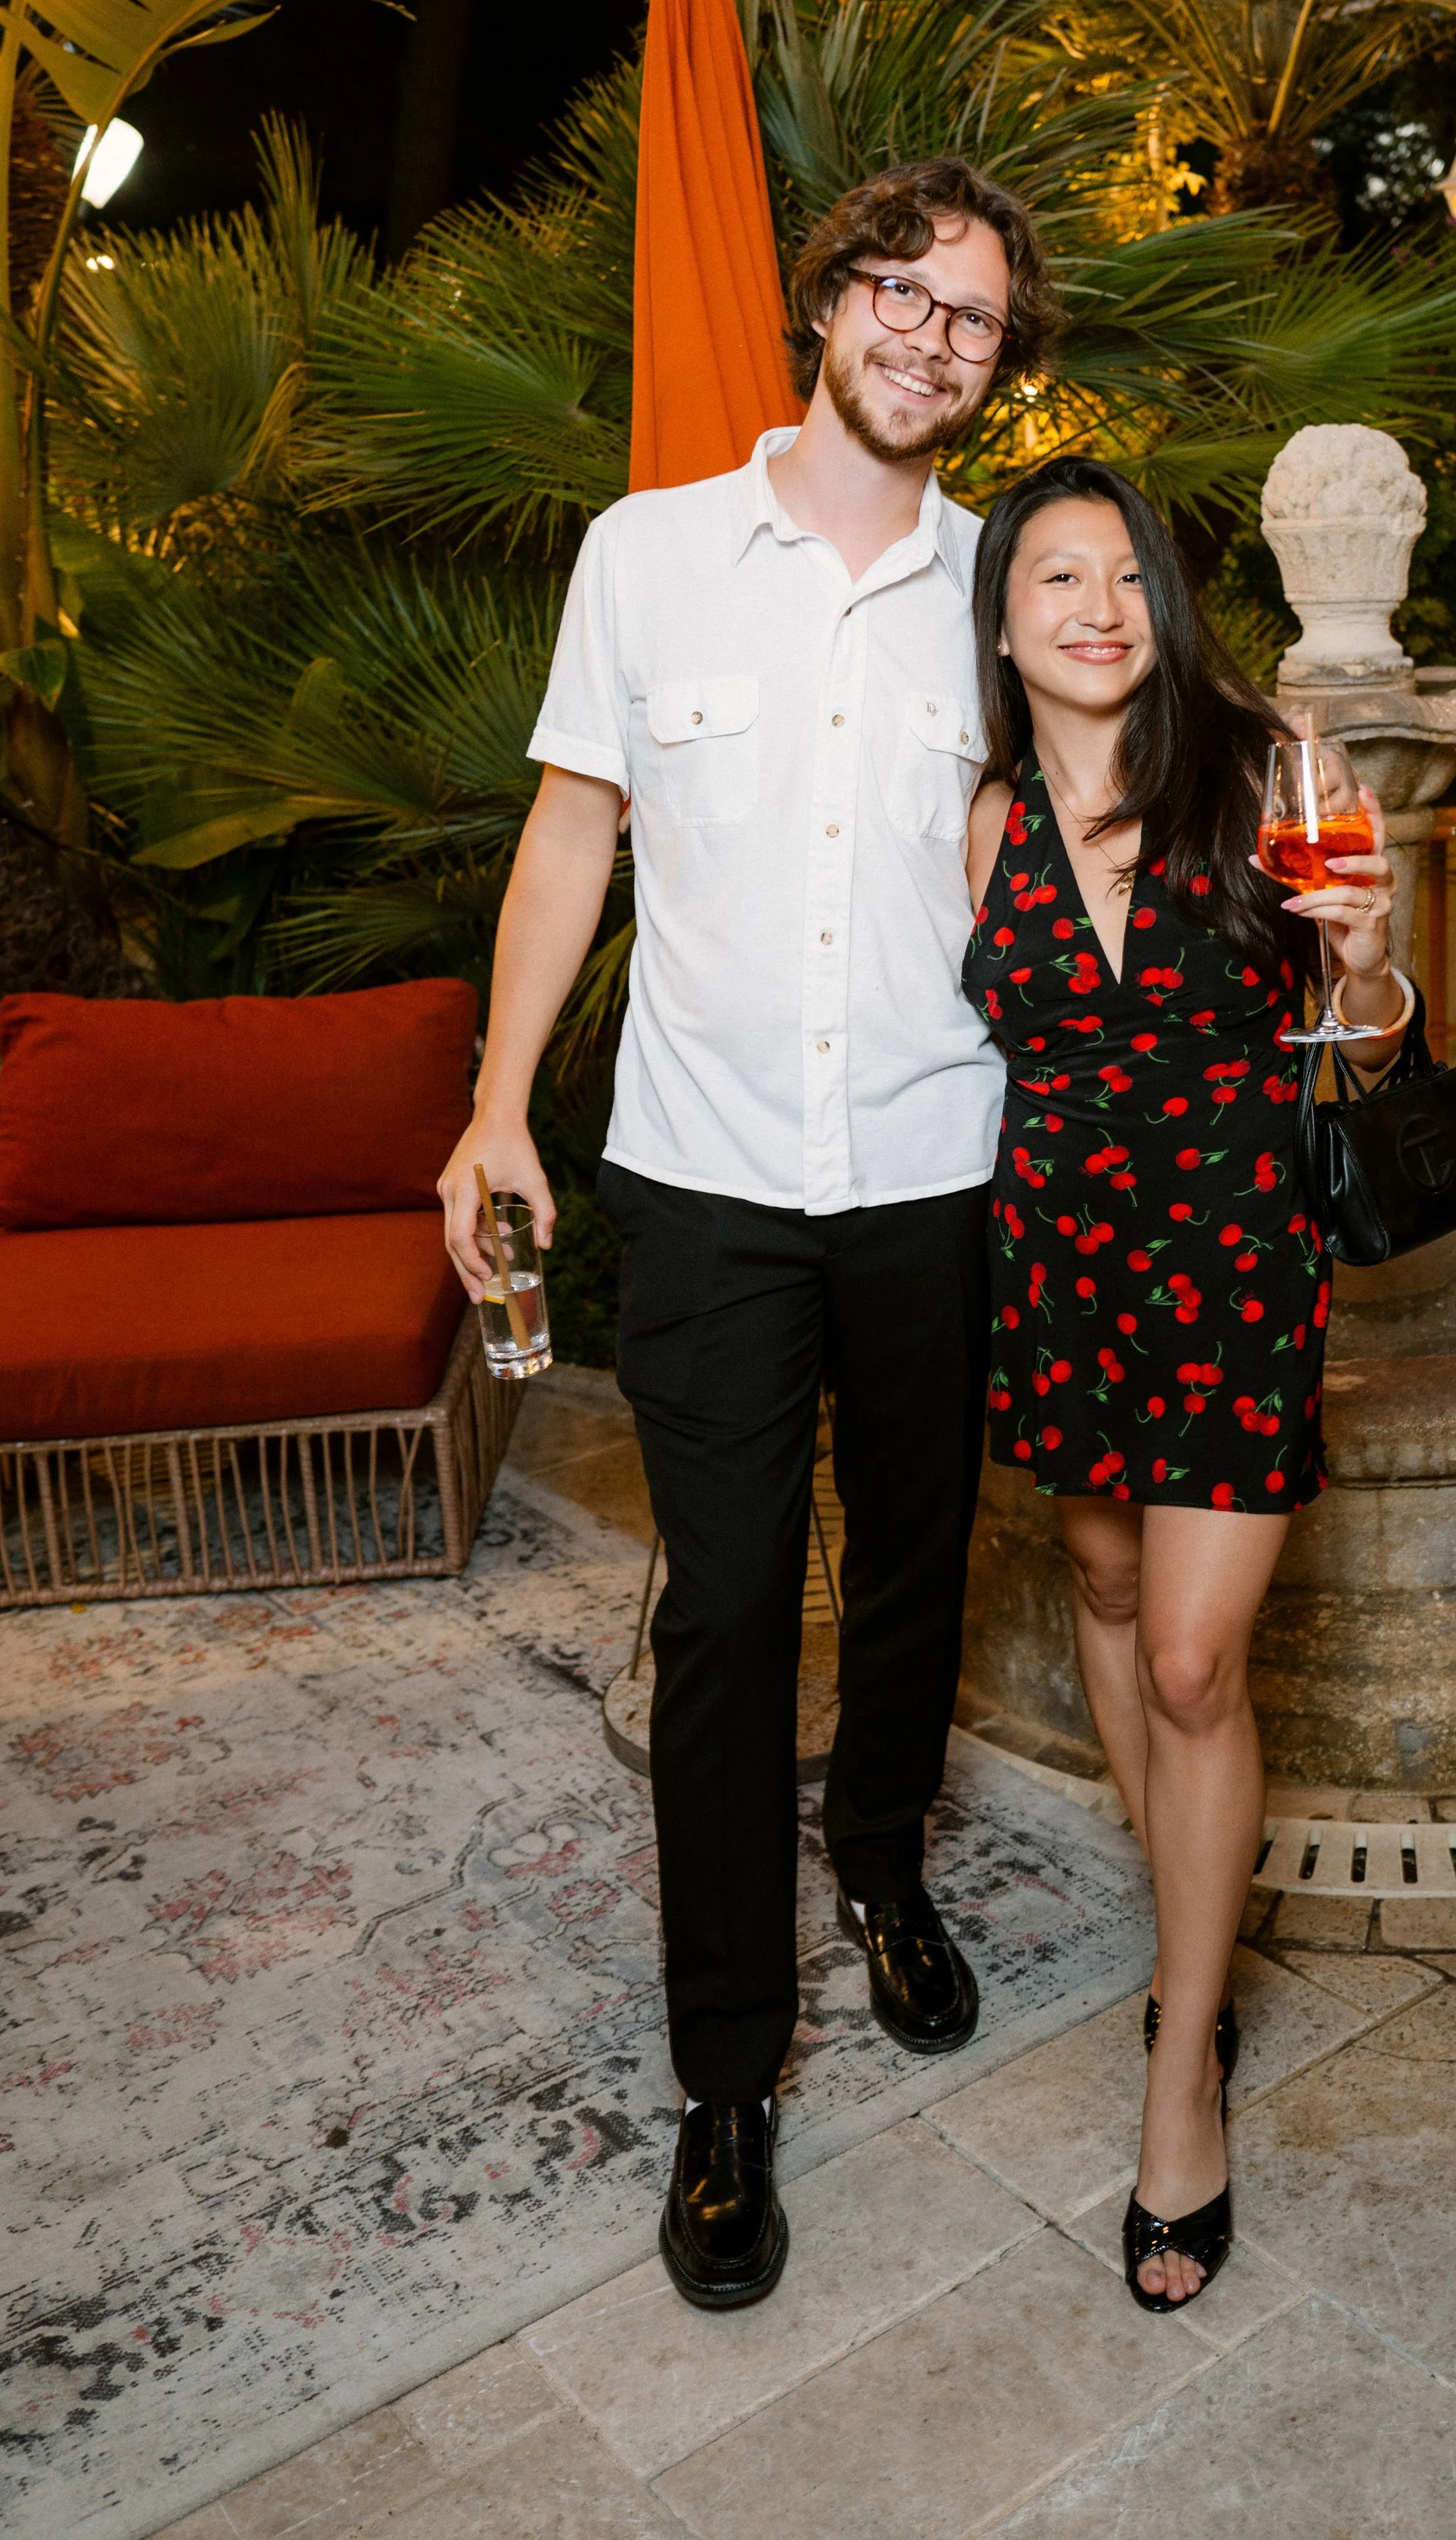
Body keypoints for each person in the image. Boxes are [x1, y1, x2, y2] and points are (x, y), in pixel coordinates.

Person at [440, 156, 1061, 2312]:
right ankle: (727, 2073)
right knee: (717, 1621)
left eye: (969, 315)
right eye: (898, 290)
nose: (927, 334)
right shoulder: (647, 557)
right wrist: (499, 1101)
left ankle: (880, 1861)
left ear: (995, 361)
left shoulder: (1009, 590)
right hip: (697, 1180)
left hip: (931, 1169)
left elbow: (1079, 837)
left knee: (910, 1561)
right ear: (828, 301)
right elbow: (570, 833)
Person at [961, 457, 1408, 2313]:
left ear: (1165, 598)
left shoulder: (1267, 764)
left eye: (1121, 573)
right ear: (998, 617)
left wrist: (1368, 959)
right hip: (1056, 1257)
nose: (1091, 605)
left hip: (1230, 1256)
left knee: (1184, 1661)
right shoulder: (975, 813)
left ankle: (1181, 2047)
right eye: (1051, 576)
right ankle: (1193, 1941)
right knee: (1098, 1587)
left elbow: (1367, 1045)